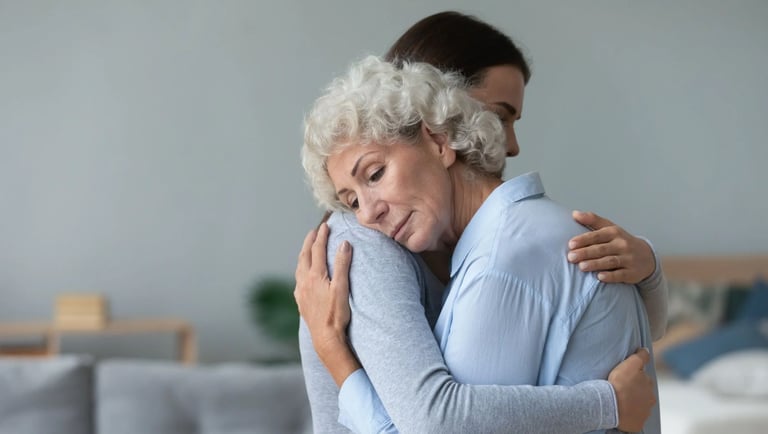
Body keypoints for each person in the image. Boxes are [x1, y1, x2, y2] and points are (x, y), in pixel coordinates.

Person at [297, 12, 666, 434]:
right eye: (496, 115)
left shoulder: (500, 245)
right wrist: (606, 404)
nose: (508, 144)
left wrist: (649, 267)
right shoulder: (366, 245)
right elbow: (435, 419)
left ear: (440, 136)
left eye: (376, 175)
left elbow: (637, 336)